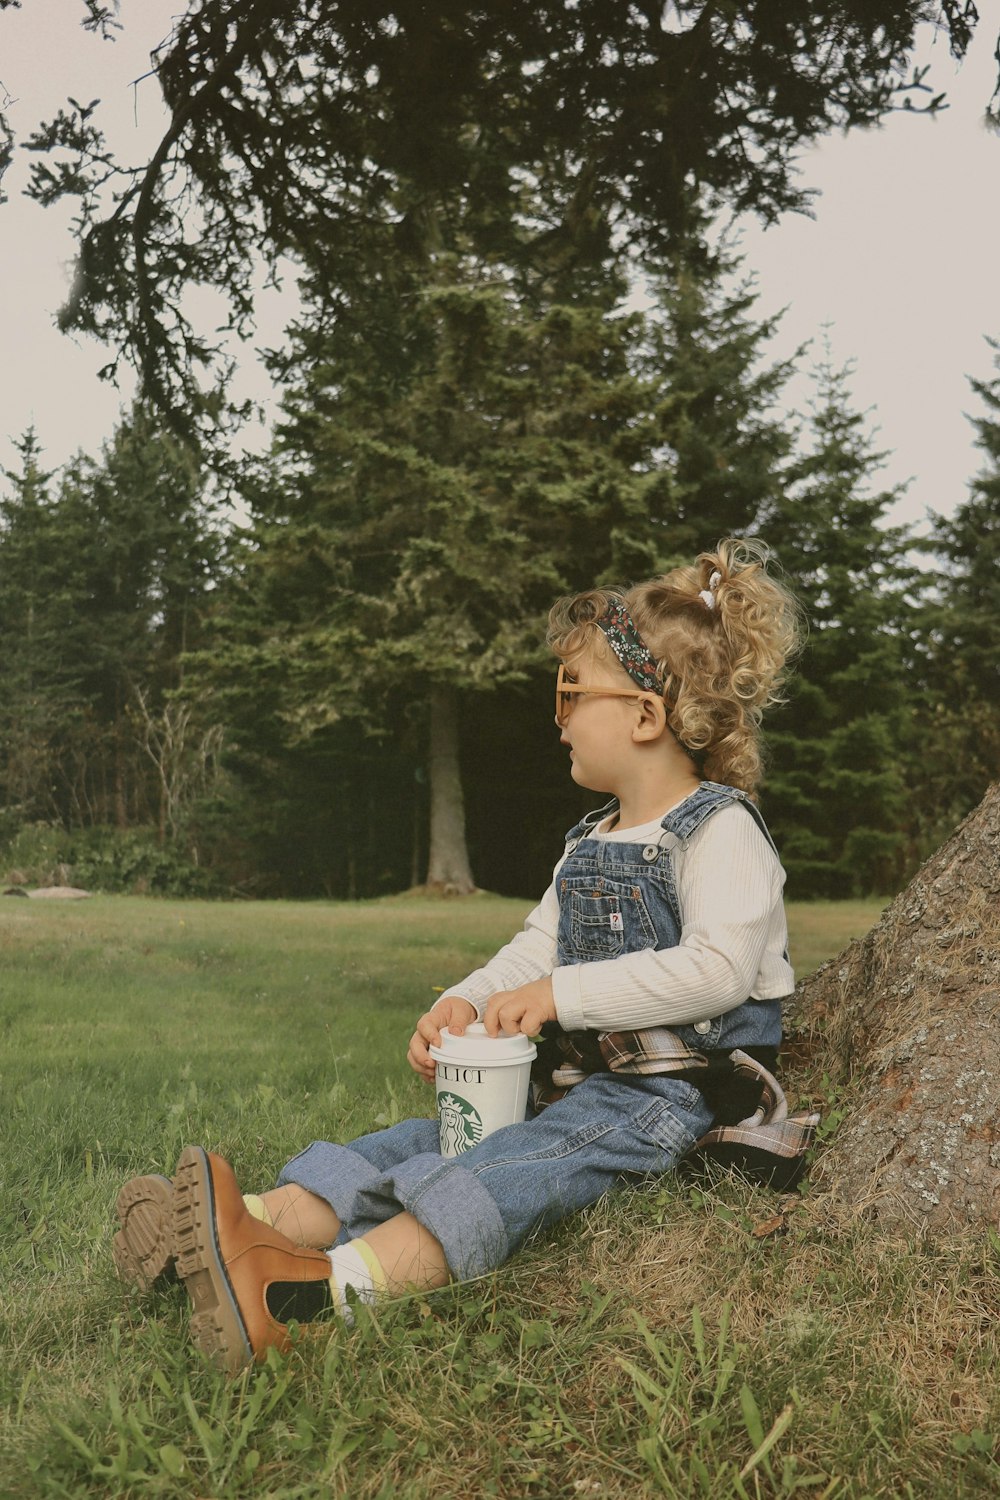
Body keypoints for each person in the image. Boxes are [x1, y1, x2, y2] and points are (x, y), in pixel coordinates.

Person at [114, 538, 818, 1375]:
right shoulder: (592, 840)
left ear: (643, 715)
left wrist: (561, 996)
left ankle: (304, 1298)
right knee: (421, 1141)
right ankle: (248, 1227)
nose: (556, 718)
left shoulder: (719, 829)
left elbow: (718, 971)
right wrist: (469, 1000)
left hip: (668, 1099)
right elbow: (536, 944)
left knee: (507, 1167)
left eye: (570, 693)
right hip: (579, 1085)